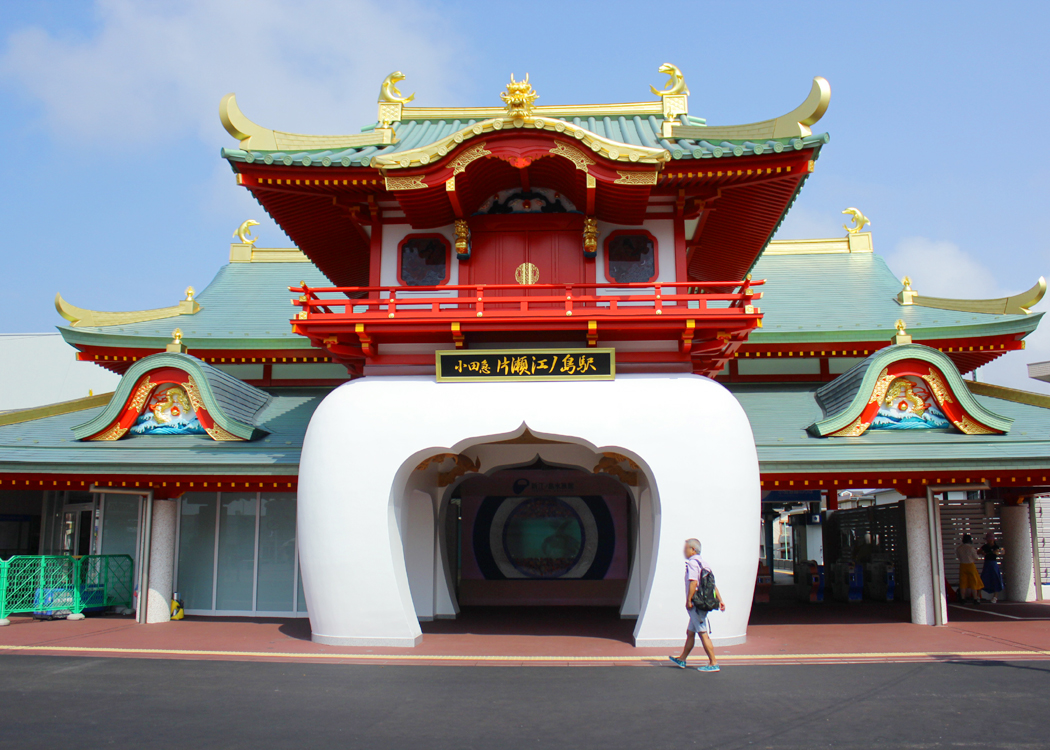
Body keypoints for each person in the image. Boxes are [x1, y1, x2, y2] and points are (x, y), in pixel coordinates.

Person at [669, 538, 725, 673]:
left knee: (703, 633)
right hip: (701, 603)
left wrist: (689, 600)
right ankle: (682, 658)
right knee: (690, 633)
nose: (684, 551)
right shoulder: (705, 564)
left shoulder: (693, 564)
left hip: (696, 604)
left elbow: (693, 582)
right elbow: (712, 585)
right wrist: (720, 599)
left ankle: (713, 662)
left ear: (693, 549)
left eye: (686, 548)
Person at [955, 533, 984, 605]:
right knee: (973, 582)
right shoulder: (971, 548)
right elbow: (976, 558)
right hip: (971, 565)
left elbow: (958, 557)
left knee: (963, 583)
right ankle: (975, 599)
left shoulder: (959, 548)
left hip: (962, 565)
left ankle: (962, 599)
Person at [979, 531, 1004, 604]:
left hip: (993, 564)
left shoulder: (996, 546)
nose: (989, 541)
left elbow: (1003, 551)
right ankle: (978, 595)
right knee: (983, 579)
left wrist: (999, 551)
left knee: (996, 579)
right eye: (988, 539)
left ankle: (995, 597)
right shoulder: (985, 546)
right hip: (987, 564)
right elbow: (978, 551)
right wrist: (982, 552)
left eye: (990, 539)